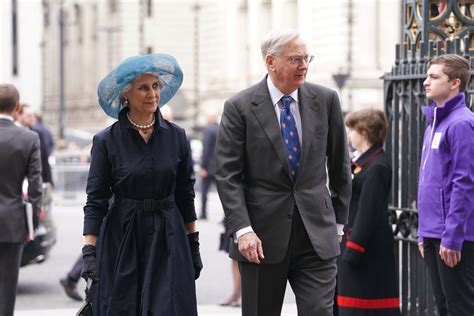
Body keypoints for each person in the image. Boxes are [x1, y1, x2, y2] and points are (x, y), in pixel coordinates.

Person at [215, 30, 352, 315]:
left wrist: (338, 223)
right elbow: (228, 175)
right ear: (270, 62)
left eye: (306, 58)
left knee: (319, 312)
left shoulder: (326, 100)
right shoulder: (239, 107)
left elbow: (340, 166)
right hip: (260, 239)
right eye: (295, 59)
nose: (304, 65)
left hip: (317, 236)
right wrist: (242, 230)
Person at [81, 54, 203, 315]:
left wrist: (193, 244)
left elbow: (185, 194)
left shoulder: (177, 136)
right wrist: (89, 251)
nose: (152, 94)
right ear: (126, 94)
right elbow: (96, 200)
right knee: (125, 307)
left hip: (169, 236)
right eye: (143, 87)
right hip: (123, 238)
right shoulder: (107, 141)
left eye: (156, 86)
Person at [418, 54, 474, 315]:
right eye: (428, 76)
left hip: (454, 236)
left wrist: (452, 236)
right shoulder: (433, 122)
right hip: (432, 232)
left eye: (434, 77)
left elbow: (465, 183)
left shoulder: (462, 123)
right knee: (443, 307)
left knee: (459, 308)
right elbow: (426, 181)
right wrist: (422, 231)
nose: (426, 82)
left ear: (455, 83)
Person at [335, 109, 399, 315]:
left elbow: (368, 212)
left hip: (366, 251)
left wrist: (353, 250)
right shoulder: (366, 162)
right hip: (358, 247)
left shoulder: (378, 166)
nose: (349, 135)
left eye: (352, 130)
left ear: (363, 132)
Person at [0, 84, 42, 316]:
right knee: (7, 287)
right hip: (13, 221)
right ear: (17, 107)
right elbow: (35, 187)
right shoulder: (29, 138)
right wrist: (32, 224)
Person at [199, 113, 218, 219]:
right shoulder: (221, 128)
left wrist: (203, 167)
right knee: (224, 194)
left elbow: (206, 149)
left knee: (204, 192)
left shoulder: (208, 130)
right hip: (220, 167)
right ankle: (226, 218)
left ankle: (203, 213)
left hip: (208, 167)